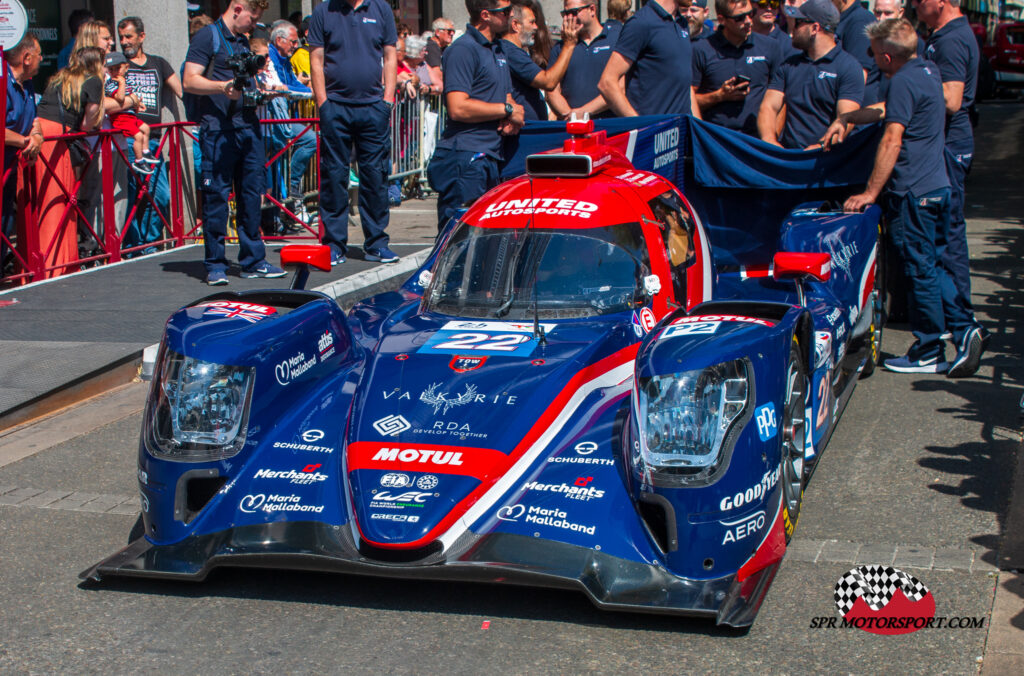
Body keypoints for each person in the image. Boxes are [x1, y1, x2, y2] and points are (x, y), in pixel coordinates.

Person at [824, 19, 977, 375]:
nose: (871, 57)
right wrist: (848, 117)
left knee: (920, 269)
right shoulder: (926, 71)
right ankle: (965, 328)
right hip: (938, 186)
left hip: (915, 191)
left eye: (873, 52)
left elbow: (892, 138)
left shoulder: (902, 81)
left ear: (888, 56)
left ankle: (929, 347)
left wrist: (870, 193)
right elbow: (884, 110)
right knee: (936, 266)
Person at [184, 0, 287, 285]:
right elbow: (189, 80)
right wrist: (221, 87)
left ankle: (253, 260)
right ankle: (215, 263)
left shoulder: (242, 40)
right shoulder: (208, 36)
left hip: (248, 127)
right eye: (253, 18)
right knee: (217, 198)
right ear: (237, 8)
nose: (254, 24)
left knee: (252, 195)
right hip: (218, 130)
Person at [915, 0, 985, 364]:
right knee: (947, 234)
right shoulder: (946, 35)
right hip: (949, 144)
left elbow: (953, 99)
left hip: (950, 146)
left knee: (947, 236)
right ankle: (959, 320)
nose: (913, 4)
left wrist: (911, 90)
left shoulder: (952, 39)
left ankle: (963, 323)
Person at [308, 0, 401, 266]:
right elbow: (317, 59)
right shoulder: (324, 10)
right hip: (335, 106)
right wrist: (323, 103)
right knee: (334, 176)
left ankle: (376, 244)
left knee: (375, 177)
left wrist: (387, 100)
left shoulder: (380, 8)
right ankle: (335, 245)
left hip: (373, 107)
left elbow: (390, 55)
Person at [426, 0, 525, 233]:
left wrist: (513, 117)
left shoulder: (497, 49)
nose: (511, 15)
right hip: (466, 157)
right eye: (505, 11)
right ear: (485, 15)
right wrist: (507, 111)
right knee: (458, 240)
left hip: (490, 155)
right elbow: (458, 107)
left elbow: (508, 99)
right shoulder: (463, 49)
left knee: (485, 239)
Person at [28, 47, 106, 278]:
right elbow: (87, 123)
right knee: (61, 201)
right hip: (59, 138)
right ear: (96, 63)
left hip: (39, 132)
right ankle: (57, 264)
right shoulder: (93, 80)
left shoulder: (60, 77)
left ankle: (34, 262)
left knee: (38, 201)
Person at [757, 0, 863, 149]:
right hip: (789, 157)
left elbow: (846, 119)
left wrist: (820, 146)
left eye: (799, 22)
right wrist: (769, 140)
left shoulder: (848, 67)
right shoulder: (789, 64)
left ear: (814, 28)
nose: (792, 28)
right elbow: (769, 106)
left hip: (826, 160)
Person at [118, 16, 183, 253]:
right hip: (127, 138)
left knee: (160, 196)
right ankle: (134, 246)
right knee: (133, 198)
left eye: (129, 37)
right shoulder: (117, 65)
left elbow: (181, 90)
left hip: (154, 139)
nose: (124, 42)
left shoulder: (158, 63)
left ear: (142, 37)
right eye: (121, 37)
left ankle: (150, 244)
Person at [692, 0, 781, 135]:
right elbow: (688, 99)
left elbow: (782, 99)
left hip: (757, 140)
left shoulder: (770, 47)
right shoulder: (701, 50)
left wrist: (772, 138)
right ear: (721, 20)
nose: (748, 21)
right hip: (716, 138)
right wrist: (719, 96)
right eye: (739, 18)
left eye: (751, 14)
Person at [599, 0, 701, 117]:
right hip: (653, 131)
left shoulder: (682, 23)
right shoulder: (641, 23)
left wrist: (698, 128)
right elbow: (607, 82)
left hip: (681, 130)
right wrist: (641, 126)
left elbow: (685, 85)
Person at [2, 33, 42, 273]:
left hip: (10, 168)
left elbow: (34, 118)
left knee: (6, 223)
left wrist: (37, 135)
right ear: (27, 58)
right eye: (39, 54)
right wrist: (24, 140)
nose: (41, 58)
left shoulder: (27, 84)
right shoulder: (1, 81)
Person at [268, 20, 317, 206]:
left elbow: (293, 85)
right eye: (293, 42)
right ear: (280, 40)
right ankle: (280, 203)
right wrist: (311, 92)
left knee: (310, 139)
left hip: (283, 117)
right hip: (270, 118)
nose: (296, 46)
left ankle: (292, 186)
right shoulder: (271, 58)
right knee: (274, 159)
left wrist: (314, 92)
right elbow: (283, 87)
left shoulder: (285, 59)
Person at [504, 0, 579, 121]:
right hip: (524, 133)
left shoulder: (516, 52)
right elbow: (548, 82)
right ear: (515, 25)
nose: (536, 27)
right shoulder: (511, 52)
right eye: (532, 22)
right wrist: (569, 45)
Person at [546, 0, 620, 119]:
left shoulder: (615, 39)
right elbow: (552, 90)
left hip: (608, 124)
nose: (569, 18)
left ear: (592, 10)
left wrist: (583, 112)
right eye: (565, 14)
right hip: (572, 127)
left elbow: (619, 86)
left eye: (574, 12)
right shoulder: (561, 48)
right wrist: (571, 115)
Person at [102, 52, 158, 176]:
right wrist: (122, 84)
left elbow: (131, 97)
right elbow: (120, 98)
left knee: (146, 128)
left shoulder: (126, 82)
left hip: (130, 116)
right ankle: (139, 160)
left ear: (126, 68)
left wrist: (137, 104)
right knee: (138, 136)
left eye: (118, 68)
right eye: (111, 69)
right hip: (120, 119)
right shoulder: (111, 83)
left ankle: (146, 151)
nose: (115, 72)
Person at [833, 0, 880, 104]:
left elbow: (859, 74)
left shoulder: (860, 20)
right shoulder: (838, 18)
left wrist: (845, 114)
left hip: (854, 109)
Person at [425, 17, 456, 94]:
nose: (452, 34)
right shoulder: (431, 47)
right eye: (449, 31)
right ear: (438, 32)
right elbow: (437, 74)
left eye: (453, 31)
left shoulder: (445, 48)